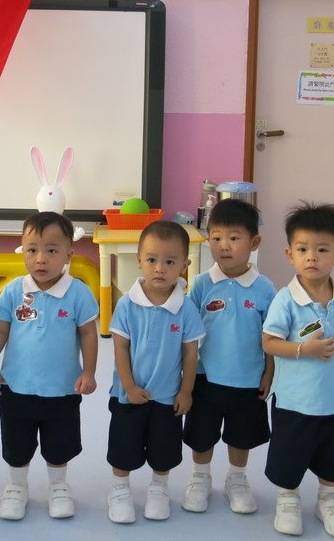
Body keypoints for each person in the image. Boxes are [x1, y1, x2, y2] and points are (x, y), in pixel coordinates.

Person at [0, 212, 98, 521]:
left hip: (62, 389)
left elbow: (88, 333)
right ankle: (17, 486)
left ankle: (58, 486)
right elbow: (0, 330)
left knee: (59, 444)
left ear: (69, 253)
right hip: (16, 386)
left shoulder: (79, 293)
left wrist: (88, 372)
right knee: (17, 442)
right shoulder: (13, 291)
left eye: (51, 250)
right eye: (32, 250)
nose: (40, 258)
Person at [262, 202, 334, 538]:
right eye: (303, 249)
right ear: (289, 254)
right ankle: (288, 499)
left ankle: (329, 499)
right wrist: (303, 350)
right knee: (289, 457)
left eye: (322, 250)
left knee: (333, 457)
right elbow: (269, 343)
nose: (312, 257)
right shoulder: (285, 299)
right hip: (295, 401)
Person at [106, 220, 206, 524]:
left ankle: (159, 488)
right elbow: (120, 349)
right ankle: (120, 489)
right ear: (139, 260)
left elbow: (191, 353)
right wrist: (128, 387)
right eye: (151, 260)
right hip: (128, 394)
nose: (159, 268)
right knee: (123, 446)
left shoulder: (186, 308)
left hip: (166, 396)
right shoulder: (127, 304)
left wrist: (186, 391)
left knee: (164, 449)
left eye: (170, 262)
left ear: (185, 266)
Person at [181, 199, 276, 515]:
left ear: (254, 242)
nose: (224, 245)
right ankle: (200, 477)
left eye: (234, 238)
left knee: (241, 435)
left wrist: (269, 372)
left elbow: (271, 336)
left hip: (248, 378)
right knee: (201, 434)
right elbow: (188, 334)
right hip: (205, 376)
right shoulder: (201, 284)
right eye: (216, 237)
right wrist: (185, 376)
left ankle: (237, 479)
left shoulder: (265, 288)